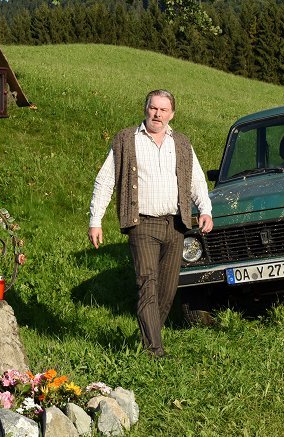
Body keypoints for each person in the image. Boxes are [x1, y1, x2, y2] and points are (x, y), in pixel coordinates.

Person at [88, 89, 213, 358]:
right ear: (146, 109)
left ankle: (147, 333)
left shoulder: (181, 142)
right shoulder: (126, 140)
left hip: (176, 225)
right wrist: (95, 220)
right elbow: (105, 180)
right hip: (142, 224)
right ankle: (154, 350)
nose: (157, 114)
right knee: (147, 284)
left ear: (172, 114)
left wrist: (205, 209)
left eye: (163, 110)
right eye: (153, 108)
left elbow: (196, 180)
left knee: (167, 291)